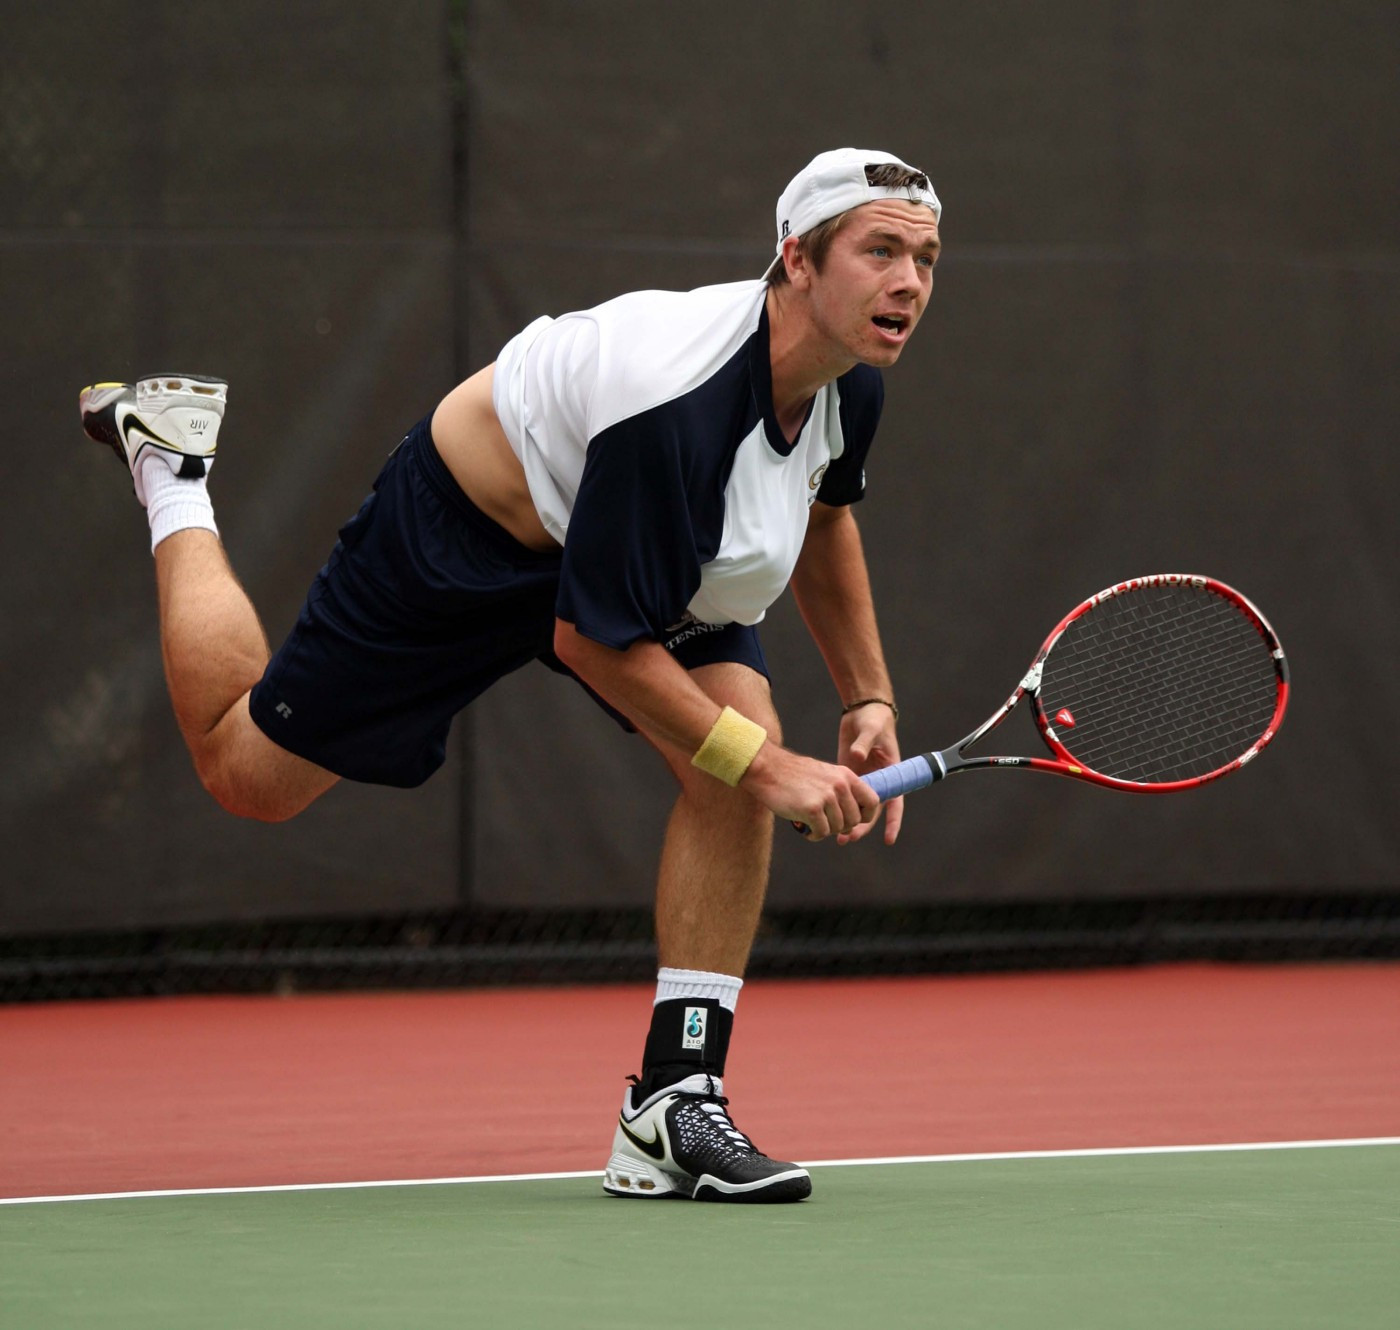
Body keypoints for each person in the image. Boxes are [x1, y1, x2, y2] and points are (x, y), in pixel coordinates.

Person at [78, 147, 942, 1203]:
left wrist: (865, 695)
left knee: (734, 745)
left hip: (631, 543)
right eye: (880, 250)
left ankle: (675, 1101)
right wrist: (771, 773)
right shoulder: (670, 400)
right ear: (795, 262)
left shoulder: (847, 384)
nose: (908, 280)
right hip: (469, 531)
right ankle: (173, 472)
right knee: (245, 773)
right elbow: (590, 637)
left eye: (926, 258)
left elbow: (820, 512)